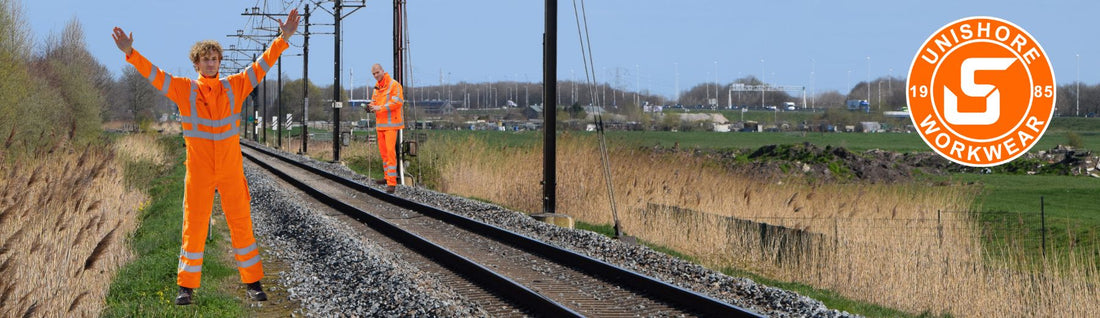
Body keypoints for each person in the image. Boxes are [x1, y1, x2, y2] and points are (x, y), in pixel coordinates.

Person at [111, 9, 300, 306]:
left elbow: (262, 65)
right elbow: (155, 75)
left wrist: (284, 37)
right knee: (194, 226)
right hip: (198, 172)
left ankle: (253, 283)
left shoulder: (235, 85)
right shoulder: (184, 89)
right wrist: (130, 52)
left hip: (229, 171)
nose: (211, 63)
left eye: (215, 59)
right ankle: (185, 288)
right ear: (196, 63)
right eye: (205, 59)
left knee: (241, 224)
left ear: (219, 62)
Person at [369, 64, 405, 193]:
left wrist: (380, 108)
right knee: (384, 153)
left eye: (377, 73)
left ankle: (392, 182)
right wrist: (370, 106)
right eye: (373, 74)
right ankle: (387, 177)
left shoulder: (394, 85)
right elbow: (374, 101)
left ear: (383, 71)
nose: (376, 76)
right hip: (381, 125)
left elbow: (398, 102)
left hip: (391, 125)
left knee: (390, 153)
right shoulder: (377, 88)